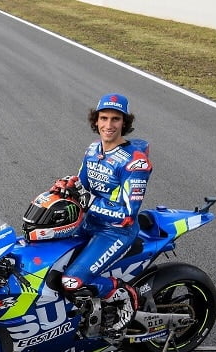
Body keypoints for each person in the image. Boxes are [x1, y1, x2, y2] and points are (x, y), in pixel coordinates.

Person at [56, 93, 152, 332]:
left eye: (115, 119)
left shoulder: (135, 162)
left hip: (116, 231)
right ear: (96, 120)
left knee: (71, 281)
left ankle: (124, 295)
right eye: (104, 118)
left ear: (124, 122)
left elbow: (128, 214)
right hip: (88, 222)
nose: (109, 125)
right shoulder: (93, 149)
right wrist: (67, 185)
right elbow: (82, 184)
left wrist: (88, 201)